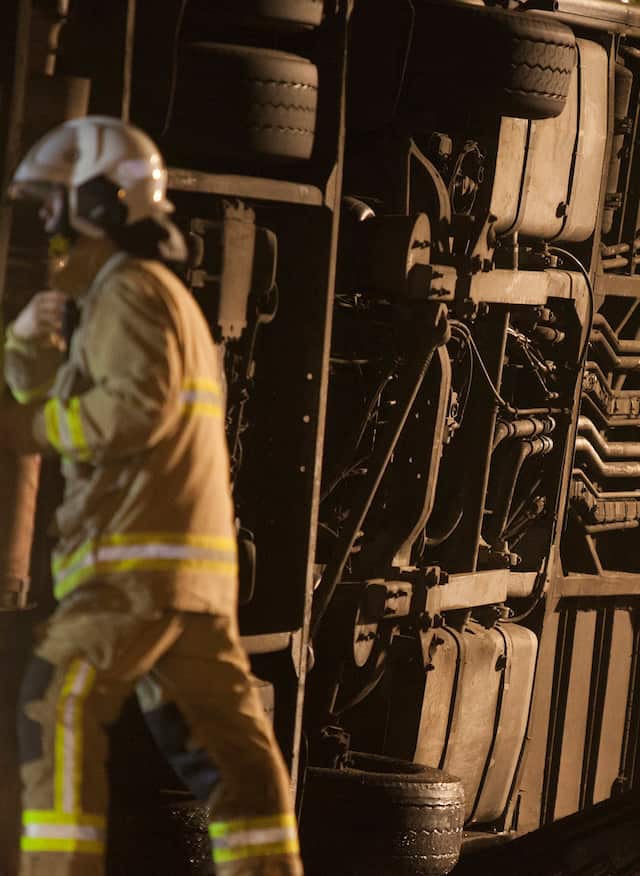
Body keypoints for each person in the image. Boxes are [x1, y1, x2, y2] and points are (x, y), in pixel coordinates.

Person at [1, 116, 302, 876]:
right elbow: (71, 395)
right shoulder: (144, 297)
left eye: (57, 212)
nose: (51, 233)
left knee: (53, 708)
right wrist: (27, 346)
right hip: (188, 577)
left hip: (134, 569)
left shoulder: (129, 294)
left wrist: (34, 422)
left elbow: (132, 411)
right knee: (233, 754)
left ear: (100, 208)